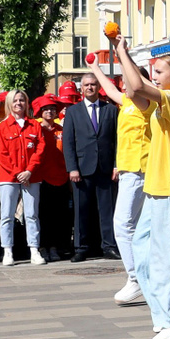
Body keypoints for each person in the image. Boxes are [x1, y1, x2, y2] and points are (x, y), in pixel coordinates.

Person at [113, 40, 170, 339]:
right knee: (143, 253)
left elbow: (137, 86)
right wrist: (117, 57)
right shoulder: (164, 99)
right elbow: (132, 89)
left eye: (159, 71)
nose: (155, 76)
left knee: (168, 258)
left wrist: (121, 51)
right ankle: (169, 309)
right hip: (156, 186)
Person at [94, 61, 150, 306]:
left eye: (127, 81)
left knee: (123, 224)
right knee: (134, 226)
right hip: (129, 170)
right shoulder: (128, 102)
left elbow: (134, 86)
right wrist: (96, 68)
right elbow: (110, 90)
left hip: (139, 169)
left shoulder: (144, 101)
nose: (124, 86)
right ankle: (144, 277)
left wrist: (122, 53)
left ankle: (136, 278)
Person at [62, 69, 119, 263]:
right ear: (81, 89)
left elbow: (117, 141)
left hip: (105, 168)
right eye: (86, 85)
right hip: (82, 168)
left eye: (93, 84)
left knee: (107, 210)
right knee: (81, 210)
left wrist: (116, 165)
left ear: (98, 87)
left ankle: (109, 246)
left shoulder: (111, 110)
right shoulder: (73, 112)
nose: (90, 88)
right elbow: (68, 142)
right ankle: (81, 248)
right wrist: (72, 168)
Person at [0, 91, 46, 267]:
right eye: (15, 100)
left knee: (32, 214)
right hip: (8, 177)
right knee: (6, 215)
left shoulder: (34, 125)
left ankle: (34, 250)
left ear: (26, 102)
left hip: (32, 176)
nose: (18, 103)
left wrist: (29, 171)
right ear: (9, 103)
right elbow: (1, 154)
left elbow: (40, 149)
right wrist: (18, 173)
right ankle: (7, 250)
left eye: (22, 100)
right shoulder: (3, 127)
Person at [34, 94, 71, 260]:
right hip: (42, 179)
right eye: (46, 109)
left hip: (61, 178)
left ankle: (55, 247)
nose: (49, 112)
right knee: (43, 215)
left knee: (59, 216)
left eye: (52, 109)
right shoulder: (36, 129)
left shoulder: (62, 130)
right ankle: (43, 246)